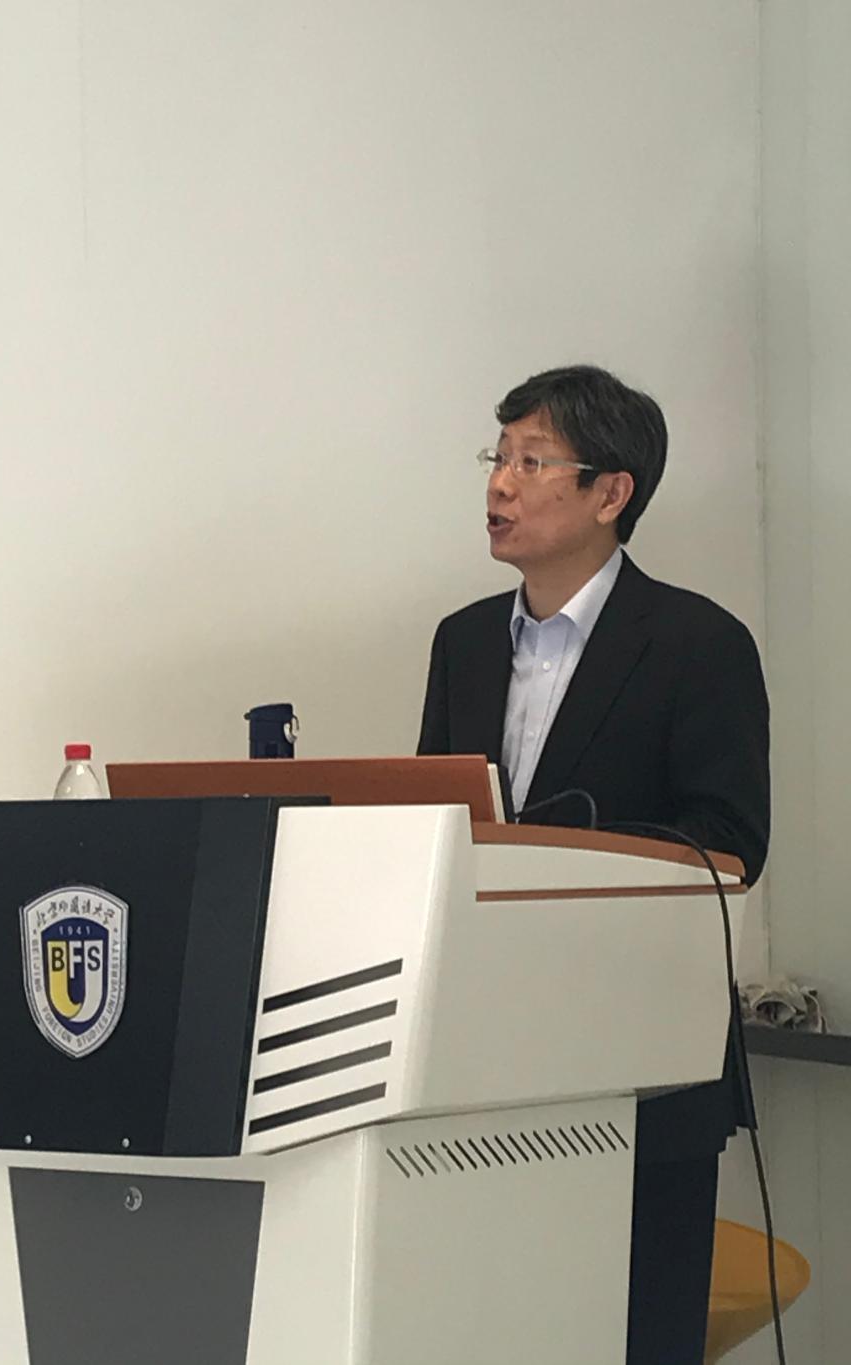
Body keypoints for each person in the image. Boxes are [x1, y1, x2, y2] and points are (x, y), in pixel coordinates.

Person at [417, 364, 770, 1365]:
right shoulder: (462, 643)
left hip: (643, 1056)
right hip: (487, 1068)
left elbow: (729, 839)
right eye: (497, 458)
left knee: (638, 1333)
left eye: (532, 462)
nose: (500, 484)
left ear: (611, 492)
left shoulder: (699, 643)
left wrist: (558, 863)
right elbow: (437, 824)